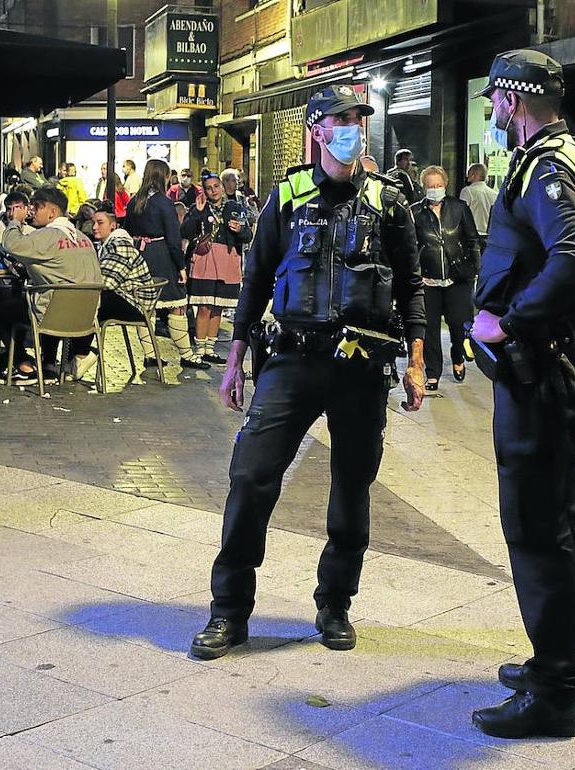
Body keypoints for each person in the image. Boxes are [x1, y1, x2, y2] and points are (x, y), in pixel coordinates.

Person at [189, 84, 426, 662]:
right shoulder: (288, 196)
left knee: (352, 487)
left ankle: (335, 604)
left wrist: (417, 361)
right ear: (317, 130)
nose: (353, 128)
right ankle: (228, 611)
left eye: (358, 119)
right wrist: (234, 359)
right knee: (250, 476)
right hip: (292, 361)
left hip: (361, 367)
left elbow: (413, 286)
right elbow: (256, 279)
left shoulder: (389, 202)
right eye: (341, 119)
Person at [469, 50, 575, 739]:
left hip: (541, 372)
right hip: (556, 367)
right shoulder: (573, 157)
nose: (492, 111)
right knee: (557, 521)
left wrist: (510, 319)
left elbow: (574, 259)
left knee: (534, 527)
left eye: (495, 100)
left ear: (512, 100)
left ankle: (553, 694)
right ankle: (560, 665)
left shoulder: (545, 169)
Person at [0, 186, 102, 384]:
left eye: (36, 206)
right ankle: (48, 365)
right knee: (50, 293)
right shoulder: (84, 238)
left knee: (0, 309)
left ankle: (23, 366)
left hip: (53, 315)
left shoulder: (46, 235)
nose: (32, 210)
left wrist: (15, 221)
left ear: (52, 212)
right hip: (85, 318)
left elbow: (12, 244)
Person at [123, 158, 207, 370]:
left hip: (140, 256)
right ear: (164, 176)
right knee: (177, 304)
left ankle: (150, 355)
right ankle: (187, 355)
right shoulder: (164, 202)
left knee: (147, 307)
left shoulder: (134, 202)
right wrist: (181, 267)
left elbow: (127, 230)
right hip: (161, 256)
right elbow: (173, 238)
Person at [412, 164, 480, 390]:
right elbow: (410, 246)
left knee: (458, 324)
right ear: (424, 187)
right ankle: (433, 372)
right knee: (430, 329)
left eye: (438, 185)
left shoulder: (459, 207)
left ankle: (458, 357)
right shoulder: (416, 212)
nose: (435, 189)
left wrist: (474, 268)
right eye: (431, 186)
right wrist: (416, 273)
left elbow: (472, 240)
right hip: (428, 280)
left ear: (446, 184)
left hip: (457, 278)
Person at [182, 173, 251, 364]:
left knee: (218, 307)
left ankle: (210, 349)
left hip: (227, 259)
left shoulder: (234, 207)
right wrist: (197, 212)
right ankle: (199, 349)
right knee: (204, 307)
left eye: (216, 186)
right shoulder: (198, 208)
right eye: (209, 188)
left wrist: (240, 230)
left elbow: (248, 235)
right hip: (205, 259)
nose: (213, 191)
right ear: (204, 191)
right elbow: (185, 232)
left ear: (222, 187)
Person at [90, 202, 154, 329]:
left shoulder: (119, 245)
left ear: (113, 225)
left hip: (136, 305)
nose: (94, 227)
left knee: (85, 305)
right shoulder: (107, 245)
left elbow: (106, 283)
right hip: (125, 296)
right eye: (93, 223)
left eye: (100, 223)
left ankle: (76, 340)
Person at [460, 162, 498, 251]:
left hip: (472, 237)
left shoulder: (467, 191)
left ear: (473, 175)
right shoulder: (495, 194)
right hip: (489, 237)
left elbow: (461, 214)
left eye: (469, 173)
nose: (467, 176)